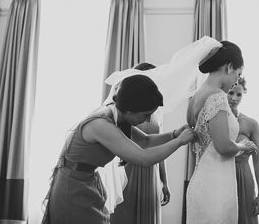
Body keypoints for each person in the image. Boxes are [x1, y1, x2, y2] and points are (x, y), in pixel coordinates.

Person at [42, 74, 195, 224]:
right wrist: (179, 142)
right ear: (130, 109)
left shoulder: (117, 117)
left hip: (87, 181)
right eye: (146, 114)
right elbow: (143, 158)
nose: (148, 120)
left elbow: (146, 141)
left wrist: (175, 134)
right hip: (73, 187)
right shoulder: (101, 124)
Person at [186, 41, 257, 224]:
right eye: (237, 74)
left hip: (201, 180)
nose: (236, 81)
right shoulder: (217, 96)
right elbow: (223, 147)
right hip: (216, 186)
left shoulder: (196, 96)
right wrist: (244, 146)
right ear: (230, 67)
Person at [109, 64, 169, 224]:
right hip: (128, 167)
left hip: (150, 171)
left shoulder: (155, 112)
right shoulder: (125, 111)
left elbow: (155, 143)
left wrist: (164, 181)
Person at [227, 77, 259, 224]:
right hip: (221, 174)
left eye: (239, 94)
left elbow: (258, 159)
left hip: (244, 177)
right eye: (230, 93)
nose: (234, 98)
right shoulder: (216, 121)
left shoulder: (251, 124)